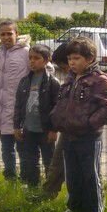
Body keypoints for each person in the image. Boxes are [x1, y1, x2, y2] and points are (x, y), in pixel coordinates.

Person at [50, 37, 107, 212]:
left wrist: (89, 124)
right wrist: (57, 118)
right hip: (69, 135)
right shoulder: (70, 79)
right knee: (73, 176)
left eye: (77, 58)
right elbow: (62, 102)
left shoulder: (99, 80)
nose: (72, 62)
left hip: (88, 138)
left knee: (90, 176)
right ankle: (76, 211)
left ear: (89, 59)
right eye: (70, 58)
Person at [0, 20, 31, 181]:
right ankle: (10, 178)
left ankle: (26, 179)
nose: (6, 37)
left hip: (21, 111)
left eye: (10, 33)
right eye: (3, 34)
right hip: (1, 110)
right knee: (6, 148)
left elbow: (46, 69)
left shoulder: (27, 52)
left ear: (17, 34)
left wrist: (33, 91)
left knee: (23, 148)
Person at [13, 43, 60, 189]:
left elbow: (57, 108)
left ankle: (50, 189)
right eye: (30, 58)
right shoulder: (24, 81)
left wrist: (54, 129)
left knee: (49, 160)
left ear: (47, 60)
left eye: (37, 58)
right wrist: (17, 126)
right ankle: (33, 186)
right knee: (30, 160)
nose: (32, 61)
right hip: (28, 129)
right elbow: (19, 106)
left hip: (45, 130)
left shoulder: (53, 83)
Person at [41, 42, 69, 199]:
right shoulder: (69, 80)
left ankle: (79, 204)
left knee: (83, 172)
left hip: (83, 133)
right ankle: (48, 194)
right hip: (66, 130)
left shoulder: (91, 80)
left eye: (64, 67)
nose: (64, 70)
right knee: (56, 164)